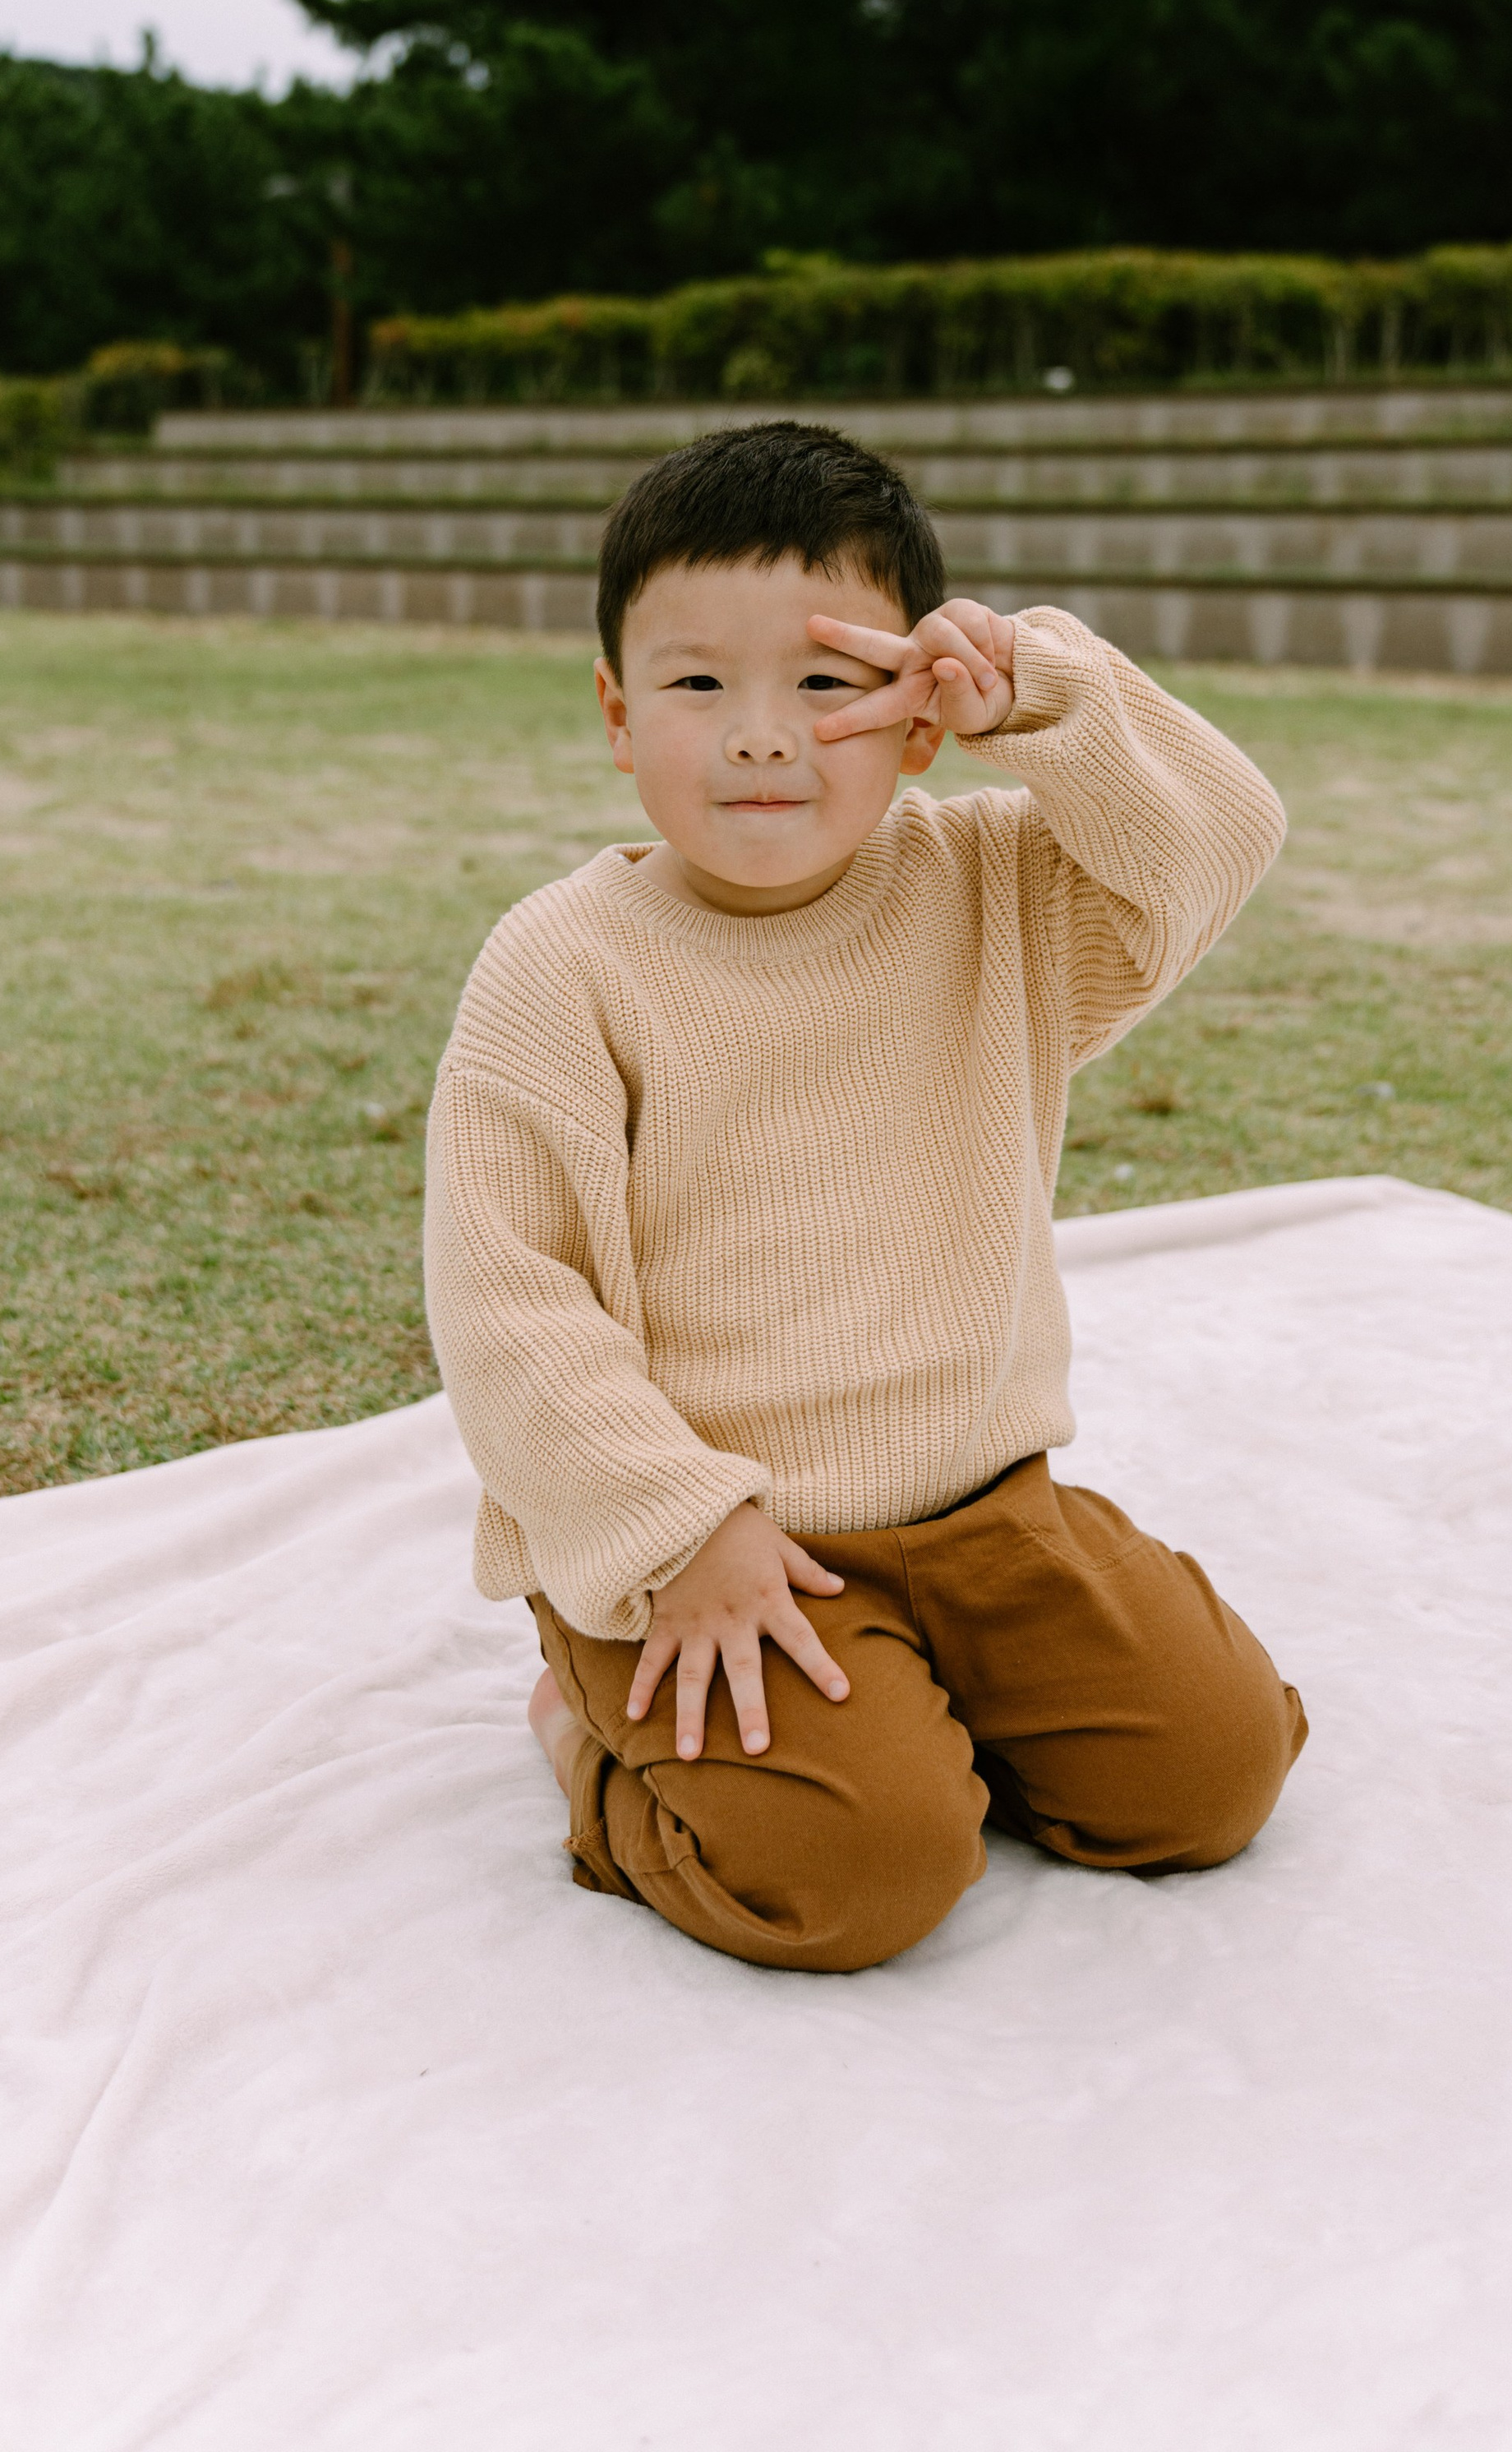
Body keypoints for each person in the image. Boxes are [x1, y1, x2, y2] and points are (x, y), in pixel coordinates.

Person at [424, 419, 1306, 1973]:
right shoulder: (564, 966)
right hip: (719, 1549)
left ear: (915, 719)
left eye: (828, 683)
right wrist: (673, 1525)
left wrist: (1043, 694)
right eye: (700, 686)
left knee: (1213, 1776)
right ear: (620, 716)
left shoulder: (999, 891)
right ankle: (587, 1732)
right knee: (858, 1875)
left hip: (984, 1505)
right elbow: (511, 1300)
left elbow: (1220, 838)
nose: (763, 737)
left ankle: (932, 1703)